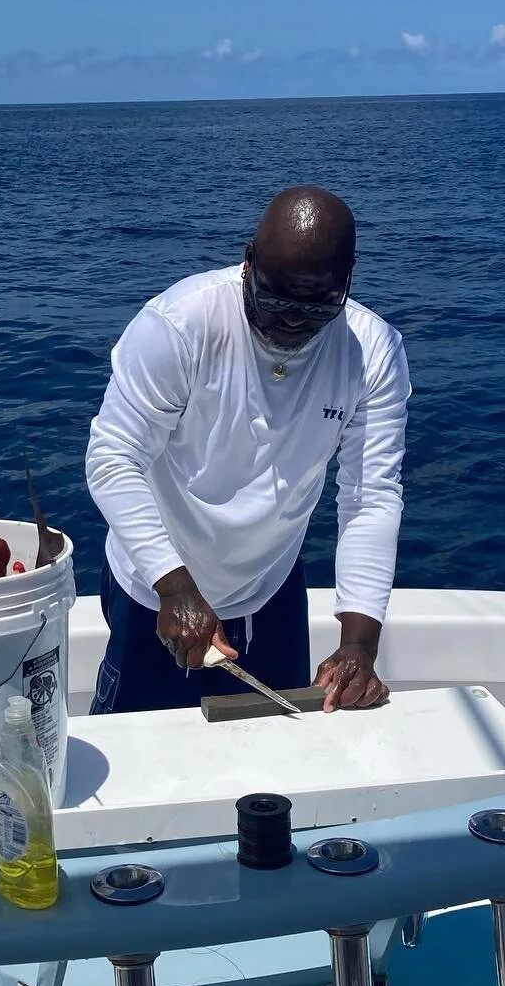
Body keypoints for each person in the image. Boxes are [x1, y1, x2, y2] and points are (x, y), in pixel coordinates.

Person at [85, 185, 410, 720]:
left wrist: (359, 644)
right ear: (248, 261)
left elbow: (369, 497)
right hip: (156, 590)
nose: (292, 321)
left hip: (272, 594)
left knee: (275, 776)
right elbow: (113, 458)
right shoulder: (178, 325)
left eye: (317, 305)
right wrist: (175, 586)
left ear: (347, 282)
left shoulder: (373, 352)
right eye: (275, 299)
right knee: (142, 768)